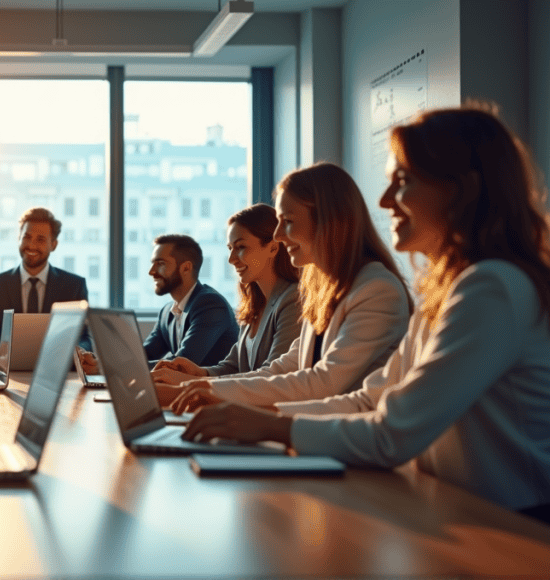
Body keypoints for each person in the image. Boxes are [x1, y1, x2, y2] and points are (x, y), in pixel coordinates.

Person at [176, 105, 550, 521]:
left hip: (516, 526)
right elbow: (371, 400)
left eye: (402, 182)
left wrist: (268, 425)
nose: (385, 200)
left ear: (461, 189)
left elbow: (392, 433)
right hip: (460, 511)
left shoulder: (491, 287)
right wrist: (258, 417)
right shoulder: (449, 289)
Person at [157, 162, 412, 407]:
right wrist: (200, 382)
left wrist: (199, 390)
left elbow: (322, 382)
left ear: (327, 221)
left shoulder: (377, 290)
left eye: (287, 221)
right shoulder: (323, 292)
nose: (278, 235)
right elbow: (283, 368)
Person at [152, 205, 299, 383]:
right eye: (230, 248)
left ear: (273, 248)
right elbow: (233, 366)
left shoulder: (292, 300)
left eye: (241, 247)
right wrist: (200, 372)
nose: (231, 259)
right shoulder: (254, 305)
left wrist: (199, 383)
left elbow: (274, 377)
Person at [0, 207, 91, 365]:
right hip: (11, 374)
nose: (31, 245)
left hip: (59, 373)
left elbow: (85, 338)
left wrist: (78, 351)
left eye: (40, 239)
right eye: (27, 237)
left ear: (53, 245)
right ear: (19, 238)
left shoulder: (74, 286)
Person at [139, 234, 238, 367]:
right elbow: (144, 355)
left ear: (186, 268)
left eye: (160, 264)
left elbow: (183, 363)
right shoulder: (167, 312)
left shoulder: (210, 304)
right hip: (184, 387)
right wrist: (107, 364)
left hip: (214, 387)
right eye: (153, 264)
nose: (152, 272)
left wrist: (121, 367)